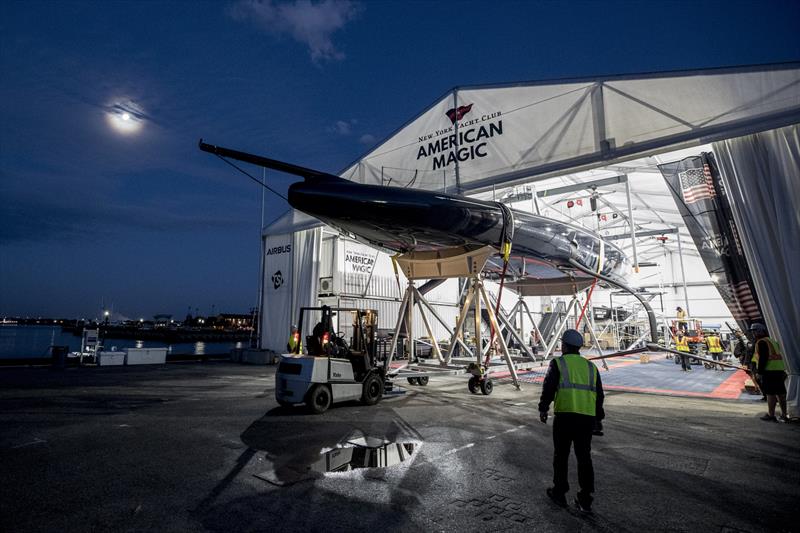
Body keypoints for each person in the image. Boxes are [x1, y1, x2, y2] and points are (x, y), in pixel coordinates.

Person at [538, 329, 604, 513]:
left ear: (564, 346)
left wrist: (543, 408)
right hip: (586, 419)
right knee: (584, 458)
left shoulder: (558, 363)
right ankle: (585, 497)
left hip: (565, 417)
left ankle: (559, 492)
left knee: (561, 456)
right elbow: (599, 395)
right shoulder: (591, 367)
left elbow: (549, 387)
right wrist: (598, 418)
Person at [750, 323, 788, 422]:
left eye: (754, 331)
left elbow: (763, 358)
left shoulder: (761, 342)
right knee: (781, 394)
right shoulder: (772, 341)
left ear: (759, 331)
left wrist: (759, 372)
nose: (753, 334)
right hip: (779, 370)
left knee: (770, 394)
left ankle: (771, 415)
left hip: (769, 371)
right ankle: (785, 415)